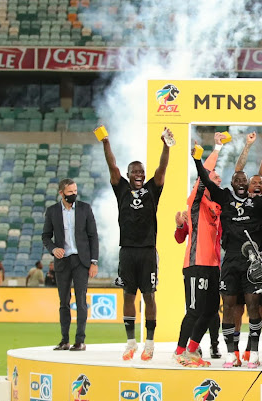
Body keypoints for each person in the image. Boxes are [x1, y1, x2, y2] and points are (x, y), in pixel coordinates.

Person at [195, 132, 262, 369]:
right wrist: (198, 160)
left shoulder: (257, 203)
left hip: (253, 265)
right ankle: (231, 353)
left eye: (244, 180)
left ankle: (253, 352)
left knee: (254, 307)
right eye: (238, 180)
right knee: (229, 307)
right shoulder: (224, 198)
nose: (242, 183)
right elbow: (206, 180)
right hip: (230, 261)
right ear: (233, 184)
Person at [102, 127, 171, 361]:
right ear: (129, 175)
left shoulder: (153, 189)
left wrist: (166, 146)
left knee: (149, 296)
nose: (139, 175)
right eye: (135, 172)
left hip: (148, 251)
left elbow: (162, 168)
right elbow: (112, 166)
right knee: (128, 295)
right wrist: (105, 141)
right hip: (127, 251)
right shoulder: (121, 188)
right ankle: (130, 342)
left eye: (142, 171)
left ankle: (149, 343)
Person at [170, 140, 225, 367]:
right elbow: (205, 173)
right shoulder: (195, 202)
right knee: (194, 310)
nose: (218, 178)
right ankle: (180, 351)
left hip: (214, 266)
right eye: (214, 177)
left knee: (211, 310)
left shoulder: (217, 206)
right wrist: (217, 149)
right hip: (196, 263)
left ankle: (192, 350)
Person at [42, 178, 99, 351]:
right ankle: (64, 340)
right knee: (63, 302)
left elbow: (93, 236)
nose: (74, 194)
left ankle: (80, 340)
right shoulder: (52, 211)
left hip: (81, 261)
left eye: (75, 191)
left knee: (81, 301)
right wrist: (53, 249)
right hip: (62, 261)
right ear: (61, 193)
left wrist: (93, 262)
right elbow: (45, 236)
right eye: (70, 192)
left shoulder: (85, 208)